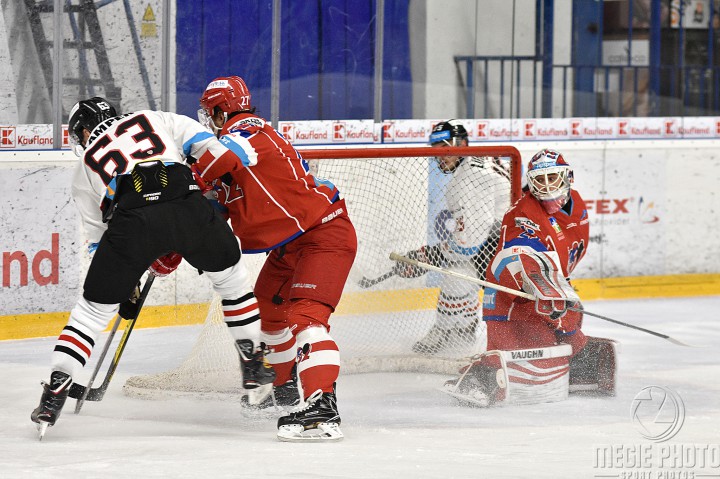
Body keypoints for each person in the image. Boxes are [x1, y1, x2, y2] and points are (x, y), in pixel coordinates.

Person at [31, 97, 275, 436]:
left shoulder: (85, 165)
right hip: (186, 205)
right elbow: (213, 152)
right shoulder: (154, 117)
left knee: (89, 314)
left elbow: (100, 237)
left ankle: (54, 392)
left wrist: (126, 282)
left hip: (131, 222)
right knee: (232, 283)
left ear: (84, 130)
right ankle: (252, 362)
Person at [197, 76, 357, 442]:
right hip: (290, 244)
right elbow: (218, 208)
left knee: (305, 316)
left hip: (323, 234)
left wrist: (185, 175)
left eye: (210, 113)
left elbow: (219, 160)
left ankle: (321, 406)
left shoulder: (248, 130)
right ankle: (283, 390)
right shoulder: (234, 146)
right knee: (268, 314)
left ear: (222, 111)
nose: (209, 121)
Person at [444, 148, 616, 407]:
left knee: (566, 332)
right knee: (536, 370)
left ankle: (576, 362)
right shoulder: (523, 214)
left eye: (552, 178)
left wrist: (561, 299)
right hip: (515, 301)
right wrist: (547, 291)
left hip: (547, 294)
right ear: (531, 182)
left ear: (568, 177)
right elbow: (520, 257)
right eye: (539, 179)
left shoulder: (576, 204)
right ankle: (481, 377)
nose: (546, 186)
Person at [393, 120, 511, 355]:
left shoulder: (467, 180)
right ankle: (466, 326)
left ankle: (444, 330)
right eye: (436, 149)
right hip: (510, 238)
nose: (441, 156)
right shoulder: (482, 160)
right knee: (462, 269)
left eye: (446, 149)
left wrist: (428, 256)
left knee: (455, 275)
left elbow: (470, 243)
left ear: (462, 144)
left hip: (507, 247)